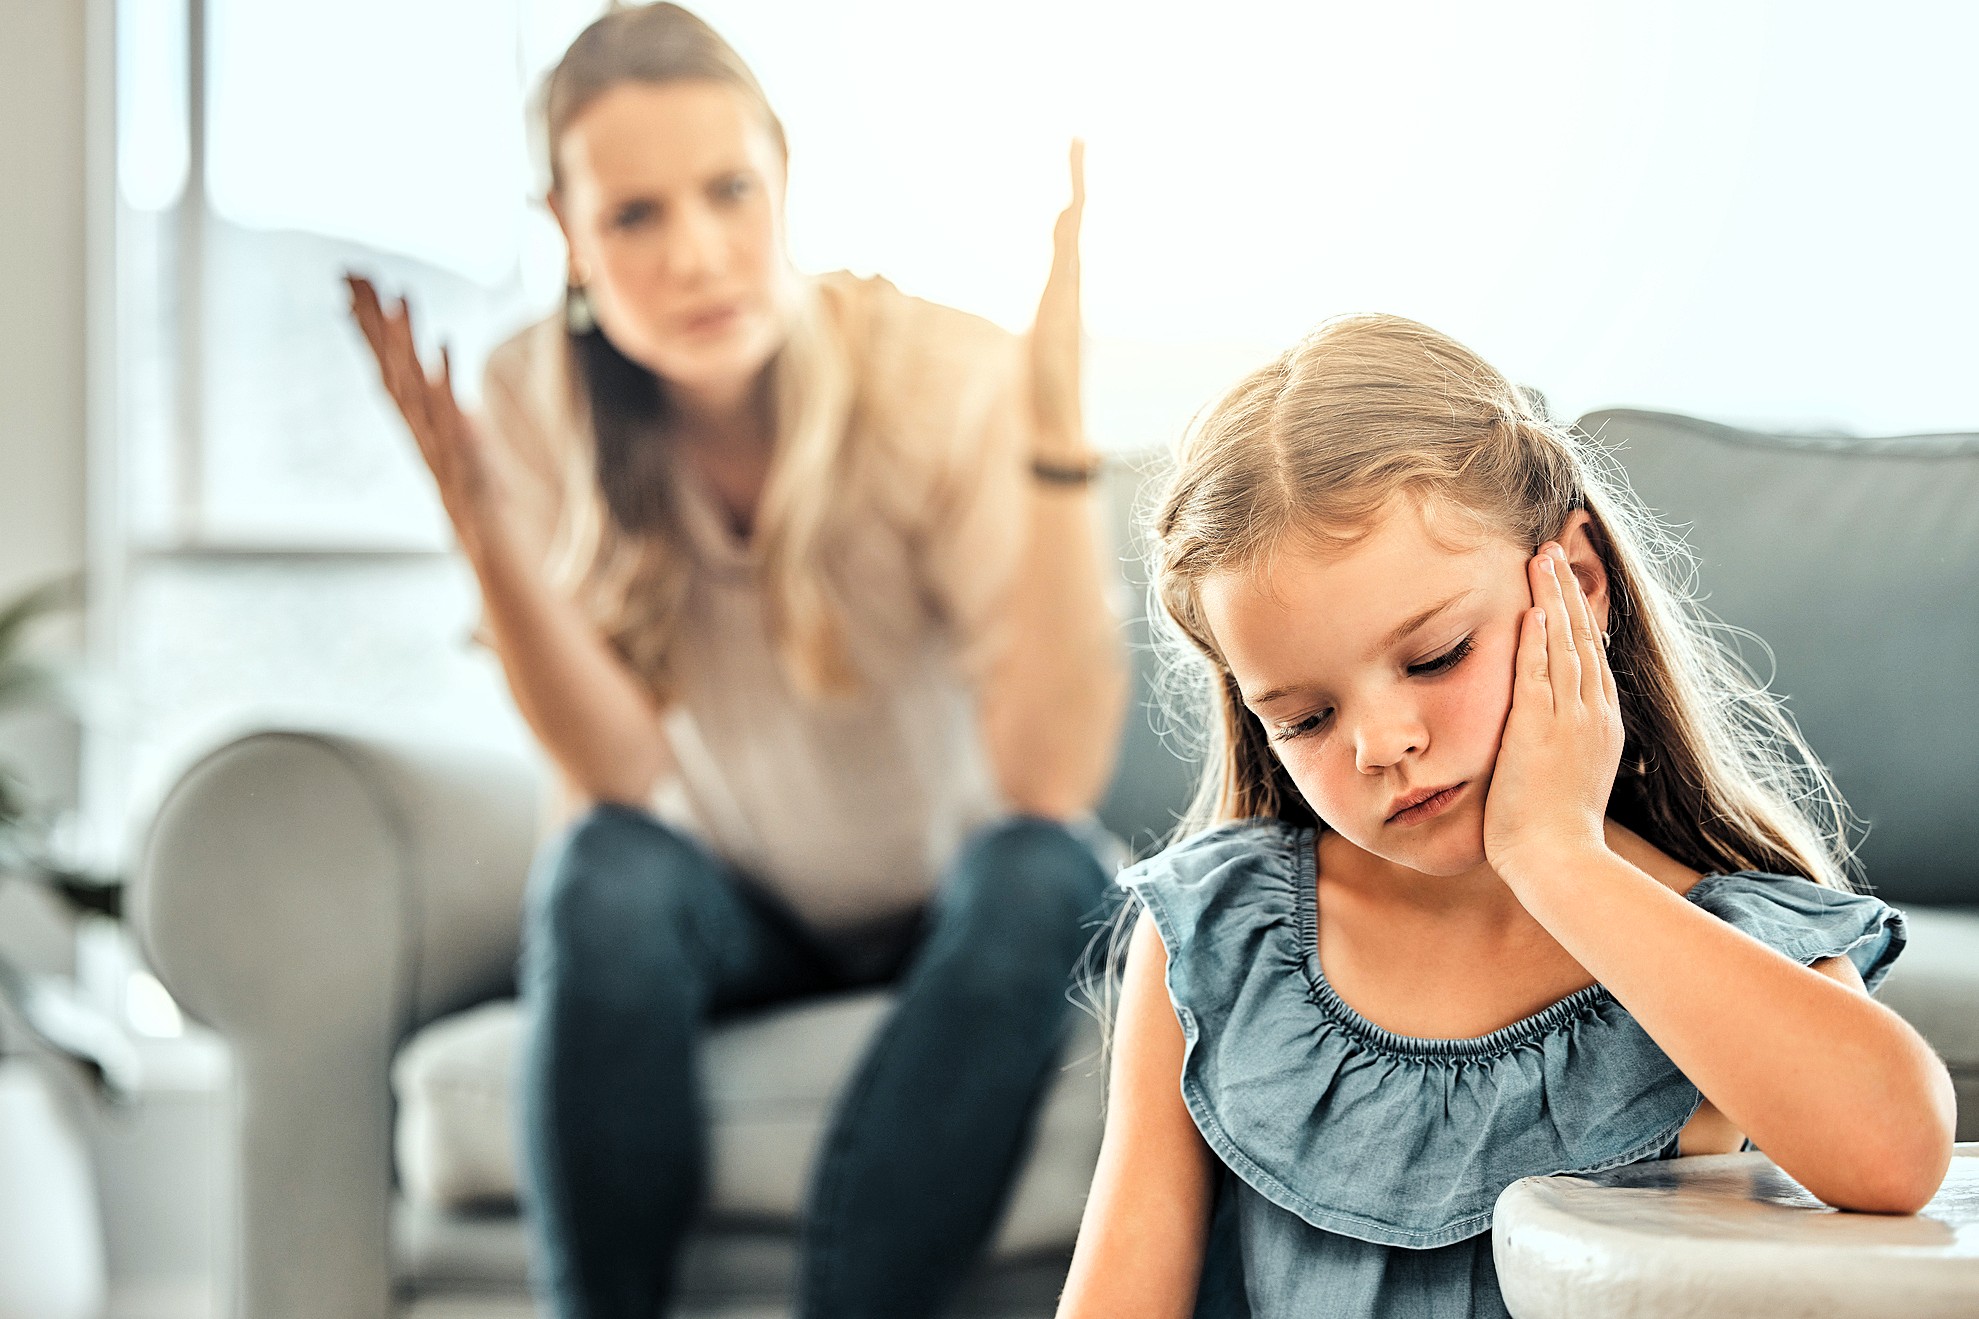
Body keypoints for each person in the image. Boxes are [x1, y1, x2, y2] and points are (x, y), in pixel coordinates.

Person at [345, 5, 1129, 1316]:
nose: (696, 255)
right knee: (602, 864)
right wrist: (484, 530)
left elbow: (1044, 772)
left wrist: (1050, 445)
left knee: (1042, 864)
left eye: (728, 193)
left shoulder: (932, 368)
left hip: (958, 900)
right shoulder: (531, 399)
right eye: (633, 217)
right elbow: (614, 767)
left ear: (784, 181)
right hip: (740, 908)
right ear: (567, 238)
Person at [1054, 314, 1956, 1319]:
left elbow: (1895, 1153)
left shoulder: (1718, 940)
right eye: (1305, 717)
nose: (1381, 741)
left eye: (1434, 654)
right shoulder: (1214, 937)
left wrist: (1555, 856)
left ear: (1568, 579)